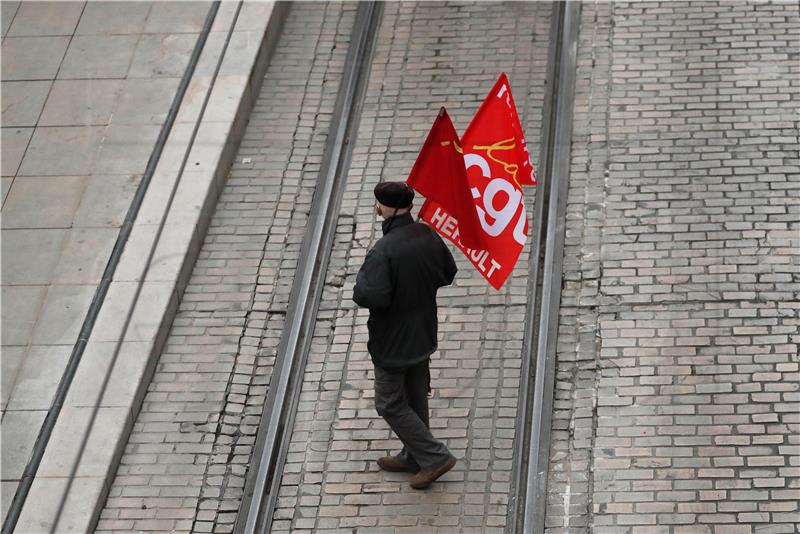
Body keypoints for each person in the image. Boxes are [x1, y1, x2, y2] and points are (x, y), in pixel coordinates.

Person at [353, 181, 458, 490]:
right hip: (423, 331)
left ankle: (434, 456)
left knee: (389, 403)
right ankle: (414, 456)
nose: (377, 208)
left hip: (393, 340)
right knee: (414, 395)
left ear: (391, 208)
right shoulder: (427, 234)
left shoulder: (383, 251)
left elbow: (369, 296)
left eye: (380, 204)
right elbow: (447, 272)